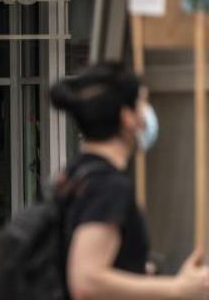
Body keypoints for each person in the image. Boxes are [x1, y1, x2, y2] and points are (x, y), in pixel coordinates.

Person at [50, 63, 209, 300]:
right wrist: (178, 288)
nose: (147, 113)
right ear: (127, 117)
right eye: (142, 103)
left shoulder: (73, 176)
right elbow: (86, 280)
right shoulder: (108, 187)